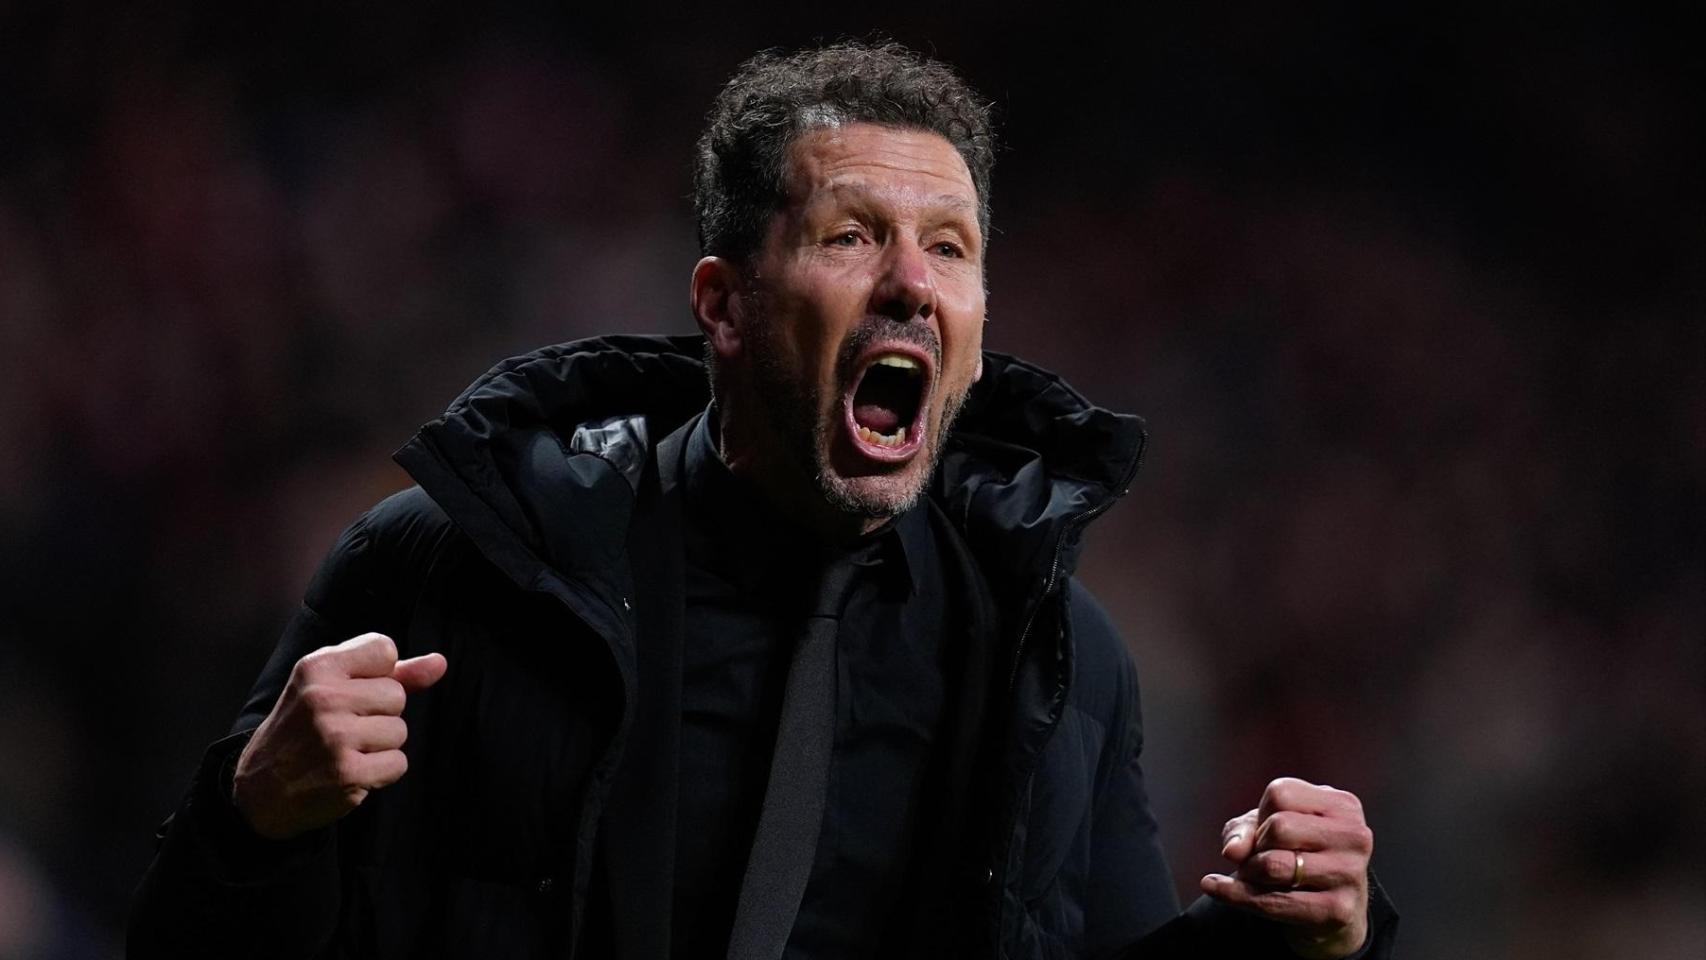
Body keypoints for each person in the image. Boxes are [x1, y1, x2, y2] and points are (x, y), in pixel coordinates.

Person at [129, 40, 1397, 959]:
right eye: (851, 236)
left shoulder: (1052, 657)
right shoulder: (449, 568)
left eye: (949, 248)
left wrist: (1308, 938)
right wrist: (259, 818)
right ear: (723, 304)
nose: (910, 280)